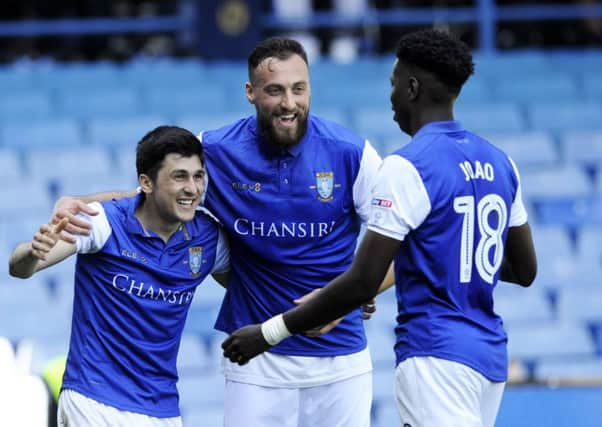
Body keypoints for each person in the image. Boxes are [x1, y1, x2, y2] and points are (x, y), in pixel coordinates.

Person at [53, 37, 389, 427]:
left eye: (299, 89)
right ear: (250, 92)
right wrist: (83, 201)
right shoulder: (215, 151)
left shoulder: (352, 153)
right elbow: (155, 195)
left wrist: (355, 293)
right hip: (256, 358)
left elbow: (405, 240)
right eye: (275, 90)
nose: (289, 103)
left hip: (341, 359)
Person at [222, 29, 538, 427]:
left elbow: (362, 281)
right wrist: (440, 260)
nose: (389, 98)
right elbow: (524, 271)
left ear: (410, 88)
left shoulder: (408, 165)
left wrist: (269, 333)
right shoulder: (500, 161)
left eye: (392, 85)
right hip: (490, 357)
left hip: (435, 356)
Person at [9, 126, 229, 426]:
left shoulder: (208, 238)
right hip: (93, 399)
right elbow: (20, 268)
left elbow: (251, 285)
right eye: (179, 177)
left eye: (198, 176)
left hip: (162, 408)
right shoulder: (103, 223)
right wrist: (33, 252)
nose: (192, 188)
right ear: (146, 183)